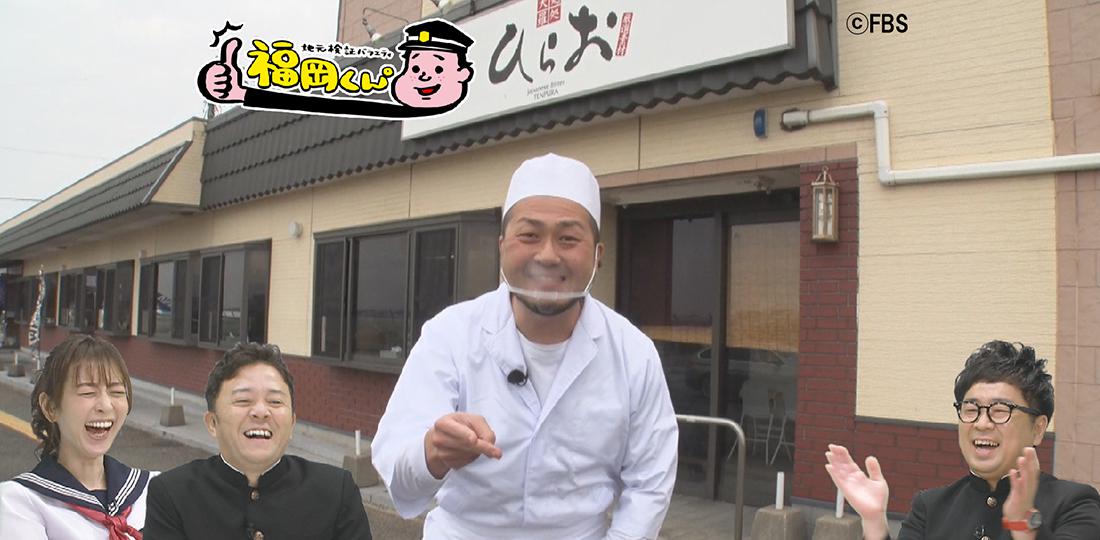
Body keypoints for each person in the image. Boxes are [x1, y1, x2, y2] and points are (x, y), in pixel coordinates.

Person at [371, 153, 679, 540]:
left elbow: (649, 482)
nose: (547, 255)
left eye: (568, 239)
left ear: (598, 255)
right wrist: (433, 452)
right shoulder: (450, 335)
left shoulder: (633, 353)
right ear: (502, 246)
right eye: (529, 235)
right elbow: (398, 471)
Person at [825, 340, 1100, 539]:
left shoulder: (1075, 503)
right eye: (970, 409)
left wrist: (1022, 524)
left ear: (1038, 429)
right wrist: (874, 523)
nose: (981, 423)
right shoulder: (930, 507)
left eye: (1000, 411)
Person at [143, 342, 372, 540]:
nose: (261, 412)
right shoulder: (173, 494)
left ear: (292, 423)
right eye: (243, 400)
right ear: (212, 422)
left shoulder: (335, 491)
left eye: (275, 402)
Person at [0, 334, 151, 540]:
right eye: (87, 393)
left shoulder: (152, 489)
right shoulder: (20, 503)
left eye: (116, 392)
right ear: (50, 407)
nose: (105, 406)